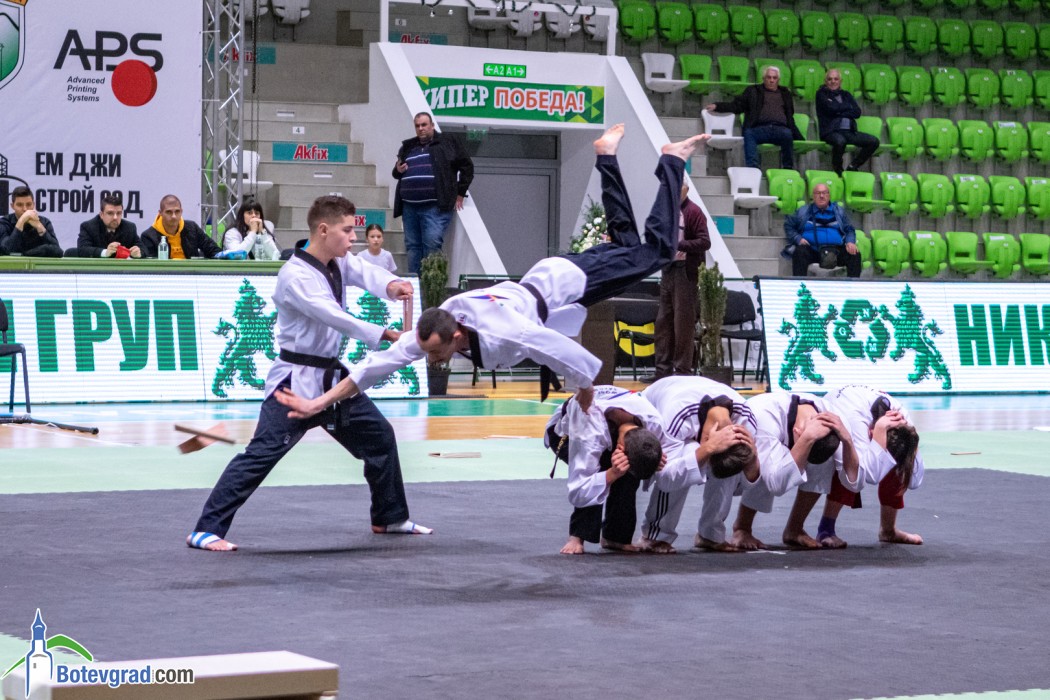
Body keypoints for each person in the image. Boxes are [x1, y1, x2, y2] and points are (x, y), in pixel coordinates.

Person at [275, 126, 711, 418]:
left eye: (437, 353)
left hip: (565, 284)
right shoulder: (430, 333)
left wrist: (585, 392)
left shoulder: (504, 329)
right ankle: (606, 156)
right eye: (430, 354)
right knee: (629, 247)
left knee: (656, 251)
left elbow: (561, 351)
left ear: (456, 335)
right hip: (551, 287)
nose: (433, 360)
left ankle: (671, 162)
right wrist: (318, 403)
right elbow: (370, 370)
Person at [186, 195, 424, 552]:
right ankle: (205, 529)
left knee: (380, 438)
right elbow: (332, 315)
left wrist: (392, 286)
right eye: (347, 231)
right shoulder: (294, 275)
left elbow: (365, 272)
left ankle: (389, 517)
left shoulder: (338, 260)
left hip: (330, 377)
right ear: (324, 230)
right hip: (294, 381)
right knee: (262, 453)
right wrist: (384, 334)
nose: (353, 238)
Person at [723, 392, 860, 551]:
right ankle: (742, 527)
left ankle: (795, 528)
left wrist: (848, 440)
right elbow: (776, 484)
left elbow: (855, 482)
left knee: (826, 460)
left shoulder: (837, 423)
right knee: (767, 468)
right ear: (798, 431)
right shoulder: (764, 418)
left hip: (795, 432)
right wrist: (807, 439)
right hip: (743, 458)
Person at [636, 376, 758, 553]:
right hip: (657, 403)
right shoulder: (677, 415)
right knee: (687, 456)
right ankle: (655, 535)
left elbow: (746, 485)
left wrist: (753, 458)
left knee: (731, 460)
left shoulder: (746, 423)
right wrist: (707, 449)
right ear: (707, 437)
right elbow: (666, 477)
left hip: (694, 400)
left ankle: (711, 534)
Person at [545, 385, 672, 555]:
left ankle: (616, 537)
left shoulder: (654, 423)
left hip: (607, 422)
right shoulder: (590, 433)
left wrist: (654, 458)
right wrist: (611, 474)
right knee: (602, 469)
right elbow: (579, 490)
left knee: (629, 470)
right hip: (565, 433)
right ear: (619, 448)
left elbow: (662, 454)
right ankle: (577, 536)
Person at [814, 385, 925, 548]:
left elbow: (914, 480)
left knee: (900, 460)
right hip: (839, 409)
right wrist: (880, 430)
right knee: (851, 465)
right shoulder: (856, 420)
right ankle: (826, 529)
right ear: (871, 430)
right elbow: (866, 476)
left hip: (869, 415)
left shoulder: (904, 422)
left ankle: (888, 531)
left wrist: (912, 447)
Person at [393, 112, 474, 275]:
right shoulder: (408, 147)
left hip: (435, 207)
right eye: (417, 126)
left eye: (424, 125)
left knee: (431, 245)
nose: (421, 128)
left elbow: (467, 167)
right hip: (409, 207)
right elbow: (397, 173)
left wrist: (460, 193)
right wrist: (397, 169)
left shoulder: (447, 142)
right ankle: (415, 286)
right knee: (412, 246)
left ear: (432, 125)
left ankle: (431, 287)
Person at [650, 183, 710, 382]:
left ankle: (683, 371)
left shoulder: (694, 212)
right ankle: (662, 372)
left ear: (686, 191)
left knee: (683, 324)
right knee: (663, 322)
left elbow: (705, 241)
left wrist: (680, 245)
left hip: (685, 272)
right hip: (668, 269)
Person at [705, 66, 803, 170]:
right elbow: (737, 106)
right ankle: (753, 168)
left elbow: (790, 115)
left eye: (774, 78)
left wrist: (797, 134)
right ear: (763, 78)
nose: (771, 80)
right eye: (769, 77)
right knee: (749, 133)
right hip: (760, 129)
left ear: (778, 80)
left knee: (788, 134)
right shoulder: (753, 91)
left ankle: (788, 168)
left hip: (780, 129)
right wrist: (718, 106)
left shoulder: (785, 93)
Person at [785, 183, 862, 278]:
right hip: (813, 250)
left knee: (854, 254)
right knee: (799, 252)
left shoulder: (839, 211)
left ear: (829, 195)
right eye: (818, 193)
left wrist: (850, 242)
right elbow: (788, 225)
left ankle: (853, 285)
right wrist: (798, 238)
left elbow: (849, 229)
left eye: (824, 193)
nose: (821, 196)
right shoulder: (803, 211)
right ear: (813, 196)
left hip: (836, 250)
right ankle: (800, 284)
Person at [815, 69, 880, 176]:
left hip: (849, 131)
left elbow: (857, 112)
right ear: (825, 81)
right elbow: (831, 108)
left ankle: (853, 165)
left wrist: (839, 110)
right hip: (830, 131)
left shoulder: (846, 95)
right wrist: (847, 108)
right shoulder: (821, 94)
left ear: (840, 81)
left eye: (836, 79)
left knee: (874, 141)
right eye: (830, 79)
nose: (833, 81)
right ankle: (838, 170)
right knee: (840, 141)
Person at [140, 195, 224, 259]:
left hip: (192, 273)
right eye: (169, 212)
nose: (174, 216)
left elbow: (212, 249)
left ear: (181, 211)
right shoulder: (148, 236)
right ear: (160, 213)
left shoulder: (192, 228)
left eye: (177, 211)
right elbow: (152, 266)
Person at [0, 186, 63, 258]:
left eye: (29, 204)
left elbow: (58, 251)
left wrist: (40, 227)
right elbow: (6, 250)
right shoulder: (4, 223)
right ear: (12, 206)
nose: (25, 209)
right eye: (20, 205)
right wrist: (21, 221)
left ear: (33, 204)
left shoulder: (44, 222)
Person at [76, 193, 142, 259]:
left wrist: (138, 253)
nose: (115, 217)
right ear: (101, 215)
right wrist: (105, 252)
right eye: (110, 213)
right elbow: (82, 250)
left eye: (119, 213)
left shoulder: (129, 227)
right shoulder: (88, 227)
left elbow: (143, 249)